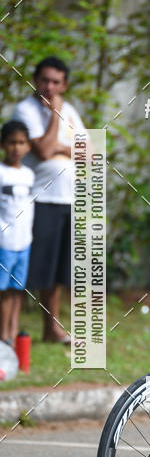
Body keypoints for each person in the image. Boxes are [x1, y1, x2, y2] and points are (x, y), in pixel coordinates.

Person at [13, 57, 86, 343]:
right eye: (44, 80)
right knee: (29, 267)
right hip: (38, 199)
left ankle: (51, 328)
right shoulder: (25, 110)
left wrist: (59, 147)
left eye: (56, 82)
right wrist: (55, 118)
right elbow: (43, 151)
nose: (49, 87)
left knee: (57, 270)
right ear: (35, 80)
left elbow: (89, 151)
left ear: (65, 84)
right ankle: (10, 332)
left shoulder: (71, 109)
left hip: (68, 200)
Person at [0, 121, 34, 345]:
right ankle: (3, 335)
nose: (16, 148)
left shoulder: (30, 175)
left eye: (21, 142)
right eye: (12, 142)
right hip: (4, 243)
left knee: (17, 289)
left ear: (28, 146)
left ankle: (12, 332)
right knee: (2, 290)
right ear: (3, 144)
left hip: (24, 242)